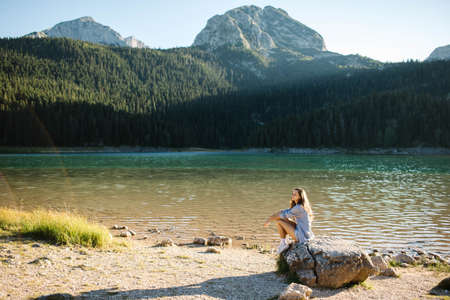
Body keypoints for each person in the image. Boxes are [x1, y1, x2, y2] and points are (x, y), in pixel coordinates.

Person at [264, 187, 315, 254]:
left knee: (279, 221)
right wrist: (271, 218)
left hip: (302, 236)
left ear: (300, 197)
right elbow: (283, 212)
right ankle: (284, 242)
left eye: (295, 194)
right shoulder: (300, 206)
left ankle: (283, 243)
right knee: (282, 218)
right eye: (292, 194)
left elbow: (281, 215)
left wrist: (268, 220)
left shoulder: (299, 207)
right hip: (305, 233)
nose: (292, 196)